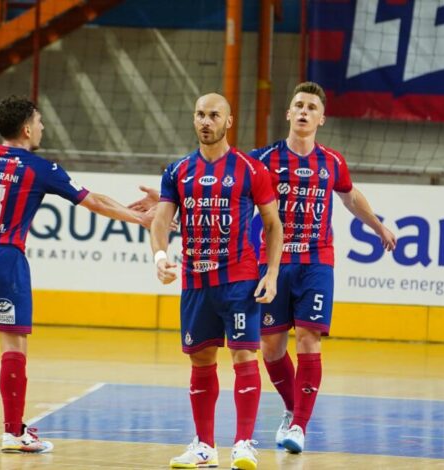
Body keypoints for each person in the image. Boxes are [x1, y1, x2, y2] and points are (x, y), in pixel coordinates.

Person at [0, 95, 158, 453]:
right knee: (14, 344)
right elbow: (94, 201)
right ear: (27, 129)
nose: (42, 127)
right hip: (5, 259)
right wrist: (140, 219)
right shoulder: (38, 168)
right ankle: (14, 433)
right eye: (39, 121)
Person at [249, 81, 396, 453]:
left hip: (317, 260)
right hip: (273, 262)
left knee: (308, 338)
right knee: (270, 347)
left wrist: (378, 226)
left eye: (311, 107)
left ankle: (299, 426)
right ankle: (292, 409)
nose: (304, 111)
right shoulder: (263, 160)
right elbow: (228, 191)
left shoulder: (332, 161)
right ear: (288, 113)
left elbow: (350, 197)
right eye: (298, 105)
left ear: (322, 119)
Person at [150, 92, 283, 470]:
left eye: (213, 115)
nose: (206, 122)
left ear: (228, 121)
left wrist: (272, 273)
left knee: (244, 355)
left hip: (240, 279)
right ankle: (204, 447)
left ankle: (243, 444)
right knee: (201, 359)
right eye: (200, 115)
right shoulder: (177, 171)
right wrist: (160, 257)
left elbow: (273, 225)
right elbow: (161, 220)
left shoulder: (250, 169)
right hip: (196, 280)